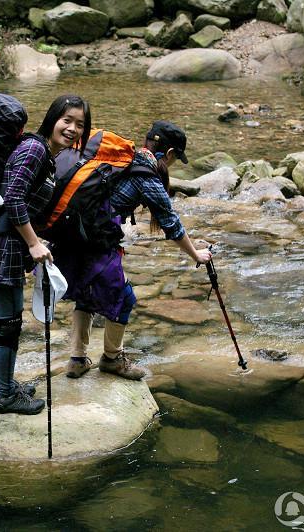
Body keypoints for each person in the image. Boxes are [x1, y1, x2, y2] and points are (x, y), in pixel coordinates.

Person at [53, 120, 212, 380]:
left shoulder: (123, 159)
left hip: (73, 235)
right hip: (96, 241)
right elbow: (172, 225)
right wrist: (196, 255)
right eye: (175, 158)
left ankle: (77, 359)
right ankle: (112, 359)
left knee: (85, 295)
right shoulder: (146, 176)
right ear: (170, 154)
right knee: (125, 298)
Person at [0, 95, 91, 414]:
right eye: (67, 120)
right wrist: (34, 243)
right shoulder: (35, 149)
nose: (73, 129)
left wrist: (36, 239)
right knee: (6, 323)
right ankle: (5, 395)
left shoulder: (43, 153)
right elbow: (13, 198)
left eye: (80, 124)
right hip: (2, 245)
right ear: (52, 119)